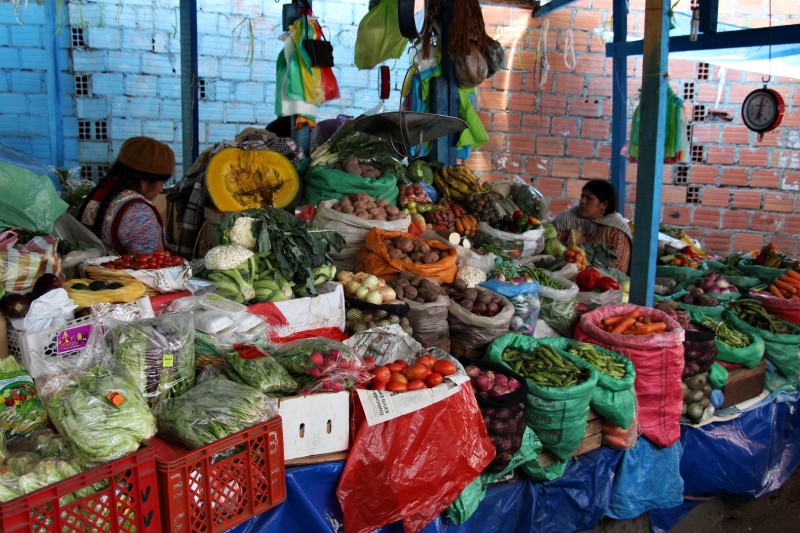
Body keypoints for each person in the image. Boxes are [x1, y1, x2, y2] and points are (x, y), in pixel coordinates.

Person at [78, 136, 175, 255]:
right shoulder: (138, 213)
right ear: (143, 182)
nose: (161, 190)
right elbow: (153, 266)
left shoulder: (99, 192)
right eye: (161, 183)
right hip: (123, 274)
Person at [551, 179, 633, 273]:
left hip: (600, 281)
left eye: (589, 198)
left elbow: (618, 268)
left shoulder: (617, 229)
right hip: (562, 274)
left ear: (604, 205)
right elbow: (551, 248)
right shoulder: (567, 220)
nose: (582, 201)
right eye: (582, 196)